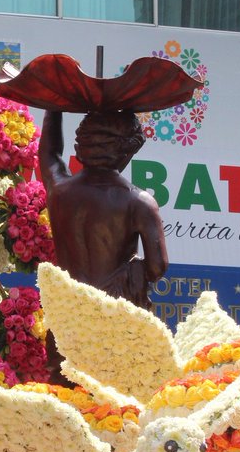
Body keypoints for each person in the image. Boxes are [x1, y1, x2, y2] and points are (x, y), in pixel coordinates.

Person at [37, 110, 166, 309]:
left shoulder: (59, 190)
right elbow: (156, 268)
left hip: (66, 314)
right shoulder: (139, 202)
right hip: (114, 317)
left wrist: (54, 106)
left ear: (82, 146)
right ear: (128, 149)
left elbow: (49, 154)